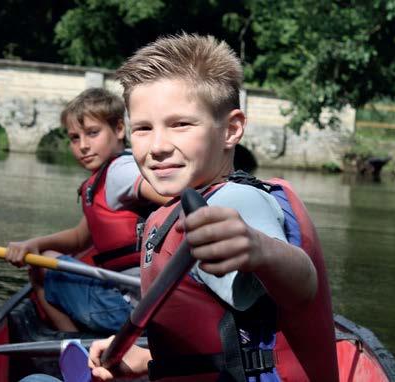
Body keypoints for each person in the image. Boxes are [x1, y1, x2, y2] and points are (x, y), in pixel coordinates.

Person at [87, 34, 321, 382]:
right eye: (143, 129)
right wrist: (144, 357)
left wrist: (259, 249)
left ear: (231, 129)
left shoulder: (236, 201)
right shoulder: (177, 208)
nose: (158, 146)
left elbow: (303, 284)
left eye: (180, 124)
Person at [5, 88, 168, 334]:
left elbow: (171, 196)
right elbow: (81, 237)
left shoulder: (120, 171)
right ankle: (76, 342)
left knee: (40, 267)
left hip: (129, 309)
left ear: (120, 130)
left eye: (93, 133)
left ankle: (70, 344)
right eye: (74, 138)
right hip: (134, 304)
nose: (83, 146)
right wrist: (33, 244)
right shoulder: (102, 179)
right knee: (42, 256)